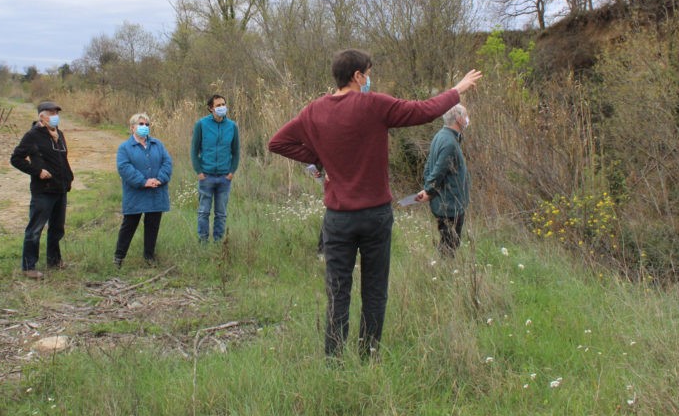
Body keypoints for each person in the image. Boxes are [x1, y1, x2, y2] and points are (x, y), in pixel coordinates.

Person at [268, 49, 482, 359]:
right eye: (367, 73)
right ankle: (369, 356)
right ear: (357, 76)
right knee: (374, 291)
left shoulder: (313, 111)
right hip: (375, 216)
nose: (369, 79)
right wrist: (457, 90)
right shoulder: (375, 105)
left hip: (338, 218)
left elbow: (278, 142)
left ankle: (334, 361)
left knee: (338, 293)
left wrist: (319, 158)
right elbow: (423, 111)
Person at [10, 101, 74, 279]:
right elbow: (16, 159)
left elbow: (62, 159)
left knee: (57, 228)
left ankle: (54, 260)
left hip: (60, 188)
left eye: (56, 112)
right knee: (35, 228)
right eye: (51, 113)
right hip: (43, 190)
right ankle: (29, 266)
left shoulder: (58, 133)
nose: (55, 116)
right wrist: (37, 171)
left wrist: (68, 178)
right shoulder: (32, 135)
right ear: (41, 116)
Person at [114, 113, 173, 267]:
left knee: (152, 225)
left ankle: (149, 257)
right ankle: (119, 258)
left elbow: (167, 162)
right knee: (129, 224)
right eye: (141, 124)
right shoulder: (125, 148)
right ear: (132, 127)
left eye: (147, 124)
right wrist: (143, 181)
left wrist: (159, 179)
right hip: (136, 193)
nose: (144, 127)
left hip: (156, 192)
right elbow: (124, 167)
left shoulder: (157, 144)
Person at [417, 104, 471, 257]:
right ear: (459, 119)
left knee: (448, 242)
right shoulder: (449, 143)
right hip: (449, 205)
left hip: (446, 202)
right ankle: (444, 274)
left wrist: (428, 189)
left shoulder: (441, 135)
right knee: (450, 245)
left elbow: (428, 166)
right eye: (466, 116)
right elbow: (437, 171)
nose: (467, 119)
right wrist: (429, 191)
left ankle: (443, 271)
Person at [190, 94, 240, 242]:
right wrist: (199, 172)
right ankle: (203, 242)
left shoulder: (232, 126)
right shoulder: (201, 124)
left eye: (223, 104)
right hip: (206, 175)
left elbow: (236, 152)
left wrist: (231, 172)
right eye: (218, 105)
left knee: (221, 213)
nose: (221, 107)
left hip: (225, 177)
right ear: (211, 108)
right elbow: (194, 150)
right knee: (203, 212)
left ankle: (218, 243)